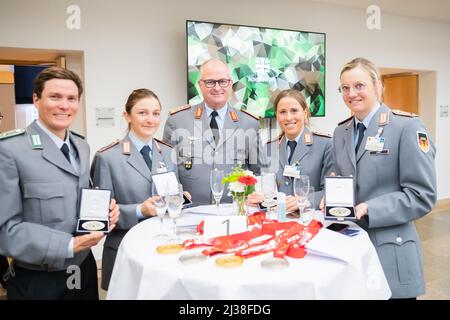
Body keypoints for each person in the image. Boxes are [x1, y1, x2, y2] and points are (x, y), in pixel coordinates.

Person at [0, 67, 119, 300]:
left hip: (82, 268)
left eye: (71, 98)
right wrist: (68, 245)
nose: (64, 105)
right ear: (36, 99)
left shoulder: (81, 146)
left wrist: (106, 212)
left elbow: (80, 197)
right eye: (55, 97)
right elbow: (5, 230)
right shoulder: (9, 150)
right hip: (39, 277)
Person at [331, 57, 436, 299]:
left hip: (392, 251)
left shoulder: (406, 127)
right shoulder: (341, 132)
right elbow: (342, 179)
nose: (351, 94)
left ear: (377, 85)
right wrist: (331, 196)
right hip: (352, 249)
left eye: (359, 85)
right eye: (345, 88)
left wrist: (371, 207)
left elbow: (422, 196)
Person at [91, 88, 176, 291]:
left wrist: (181, 199)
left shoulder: (168, 152)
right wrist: (140, 210)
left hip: (163, 249)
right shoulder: (107, 157)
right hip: (126, 249)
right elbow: (100, 215)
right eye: (142, 113)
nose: (151, 119)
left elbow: (170, 197)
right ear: (127, 115)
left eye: (156, 113)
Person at [163, 59, 265, 205]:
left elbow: (259, 171)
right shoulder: (177, 120)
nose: (217, 88)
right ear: (200, 85)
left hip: (234, 212)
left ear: (230, 84)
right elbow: (167, 170)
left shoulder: (249, 123)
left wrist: (256, 196)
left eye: (222, 81)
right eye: (210, 82)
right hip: (190, 212)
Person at [247, 89, 333, 213]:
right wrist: (258, 197)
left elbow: (331, 191)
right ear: (277, 115)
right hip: (278, 220)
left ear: (304, 113)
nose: (288, 117)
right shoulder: (269, 147)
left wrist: (305, 200)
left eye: (294, 111)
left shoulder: (325, 144)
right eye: (282, 112)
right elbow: (266, 188)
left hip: (310, 220)